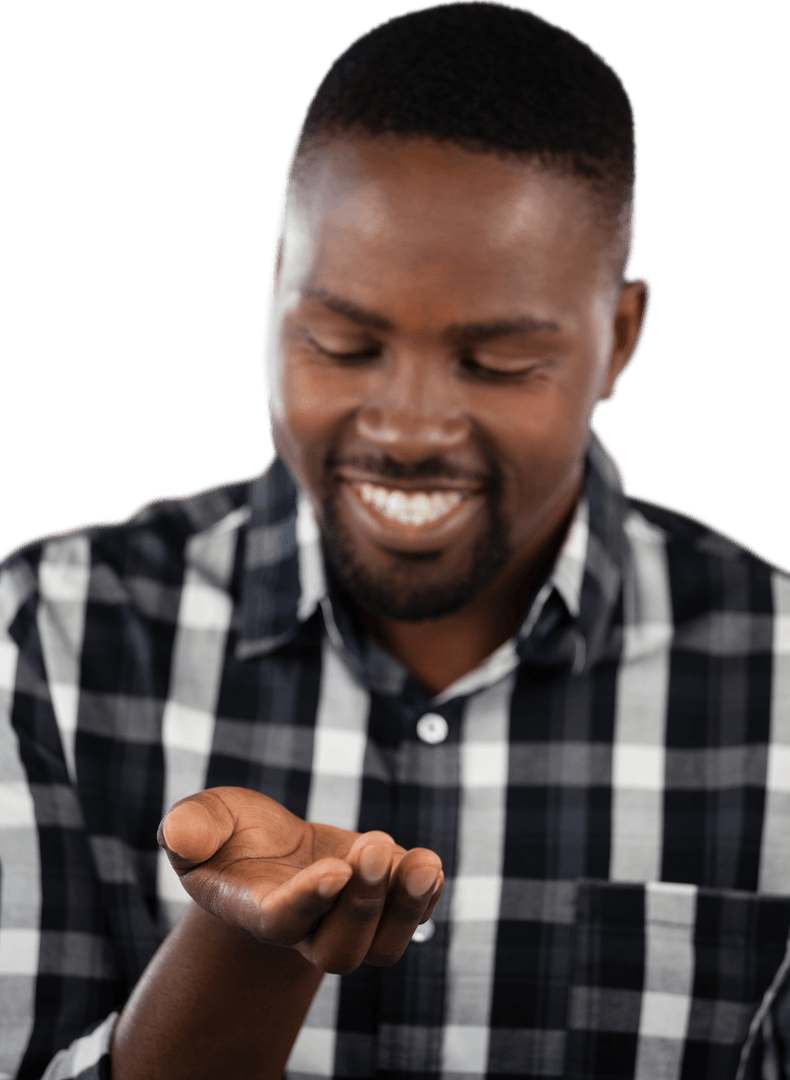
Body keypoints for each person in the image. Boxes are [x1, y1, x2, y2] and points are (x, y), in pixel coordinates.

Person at [0, 2, 788, 1078]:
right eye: (342, 341)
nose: (408, 429)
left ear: (618, 340)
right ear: (271, 295)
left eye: (498, 360)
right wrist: (239, 955)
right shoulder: (43, 643)